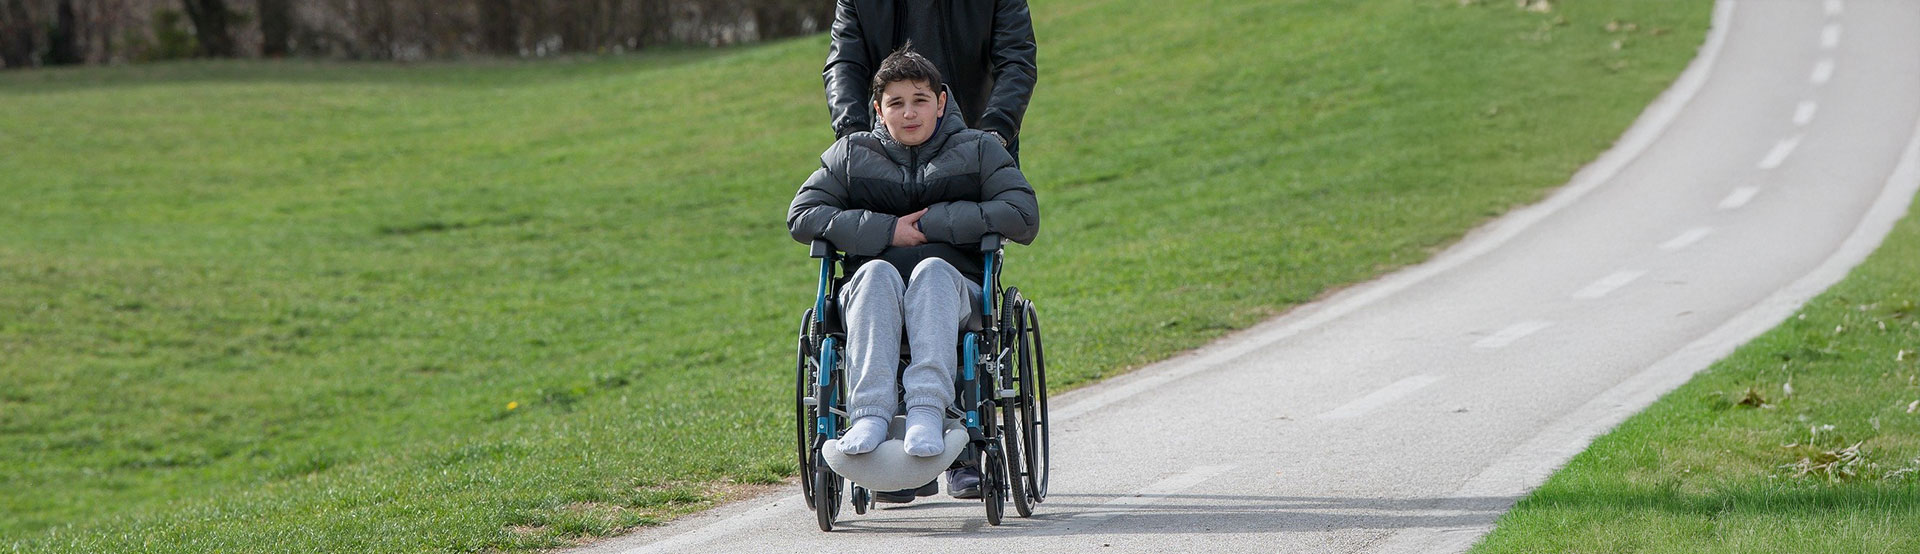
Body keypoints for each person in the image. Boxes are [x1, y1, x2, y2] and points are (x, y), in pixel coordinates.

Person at [789, 45, 1039, 503]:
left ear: (941, 102)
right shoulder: (850, 154)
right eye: (896, 103)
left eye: (920, 100)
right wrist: (889, 231)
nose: (909, 113)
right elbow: (802, 214)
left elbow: (1023, 215)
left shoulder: (979, 149)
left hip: (953, 289)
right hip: (870, 291)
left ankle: (927, 408)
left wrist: (931, 225)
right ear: (878, 110)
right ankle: (870, 414)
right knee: (879, 274)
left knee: (931, 273)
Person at [823, 0, 1037, 163]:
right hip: (888, 153)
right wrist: (852, 135)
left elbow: (1017, 60)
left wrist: (996, 132)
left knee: (996, 221)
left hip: (979, 143)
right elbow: (844, 65)